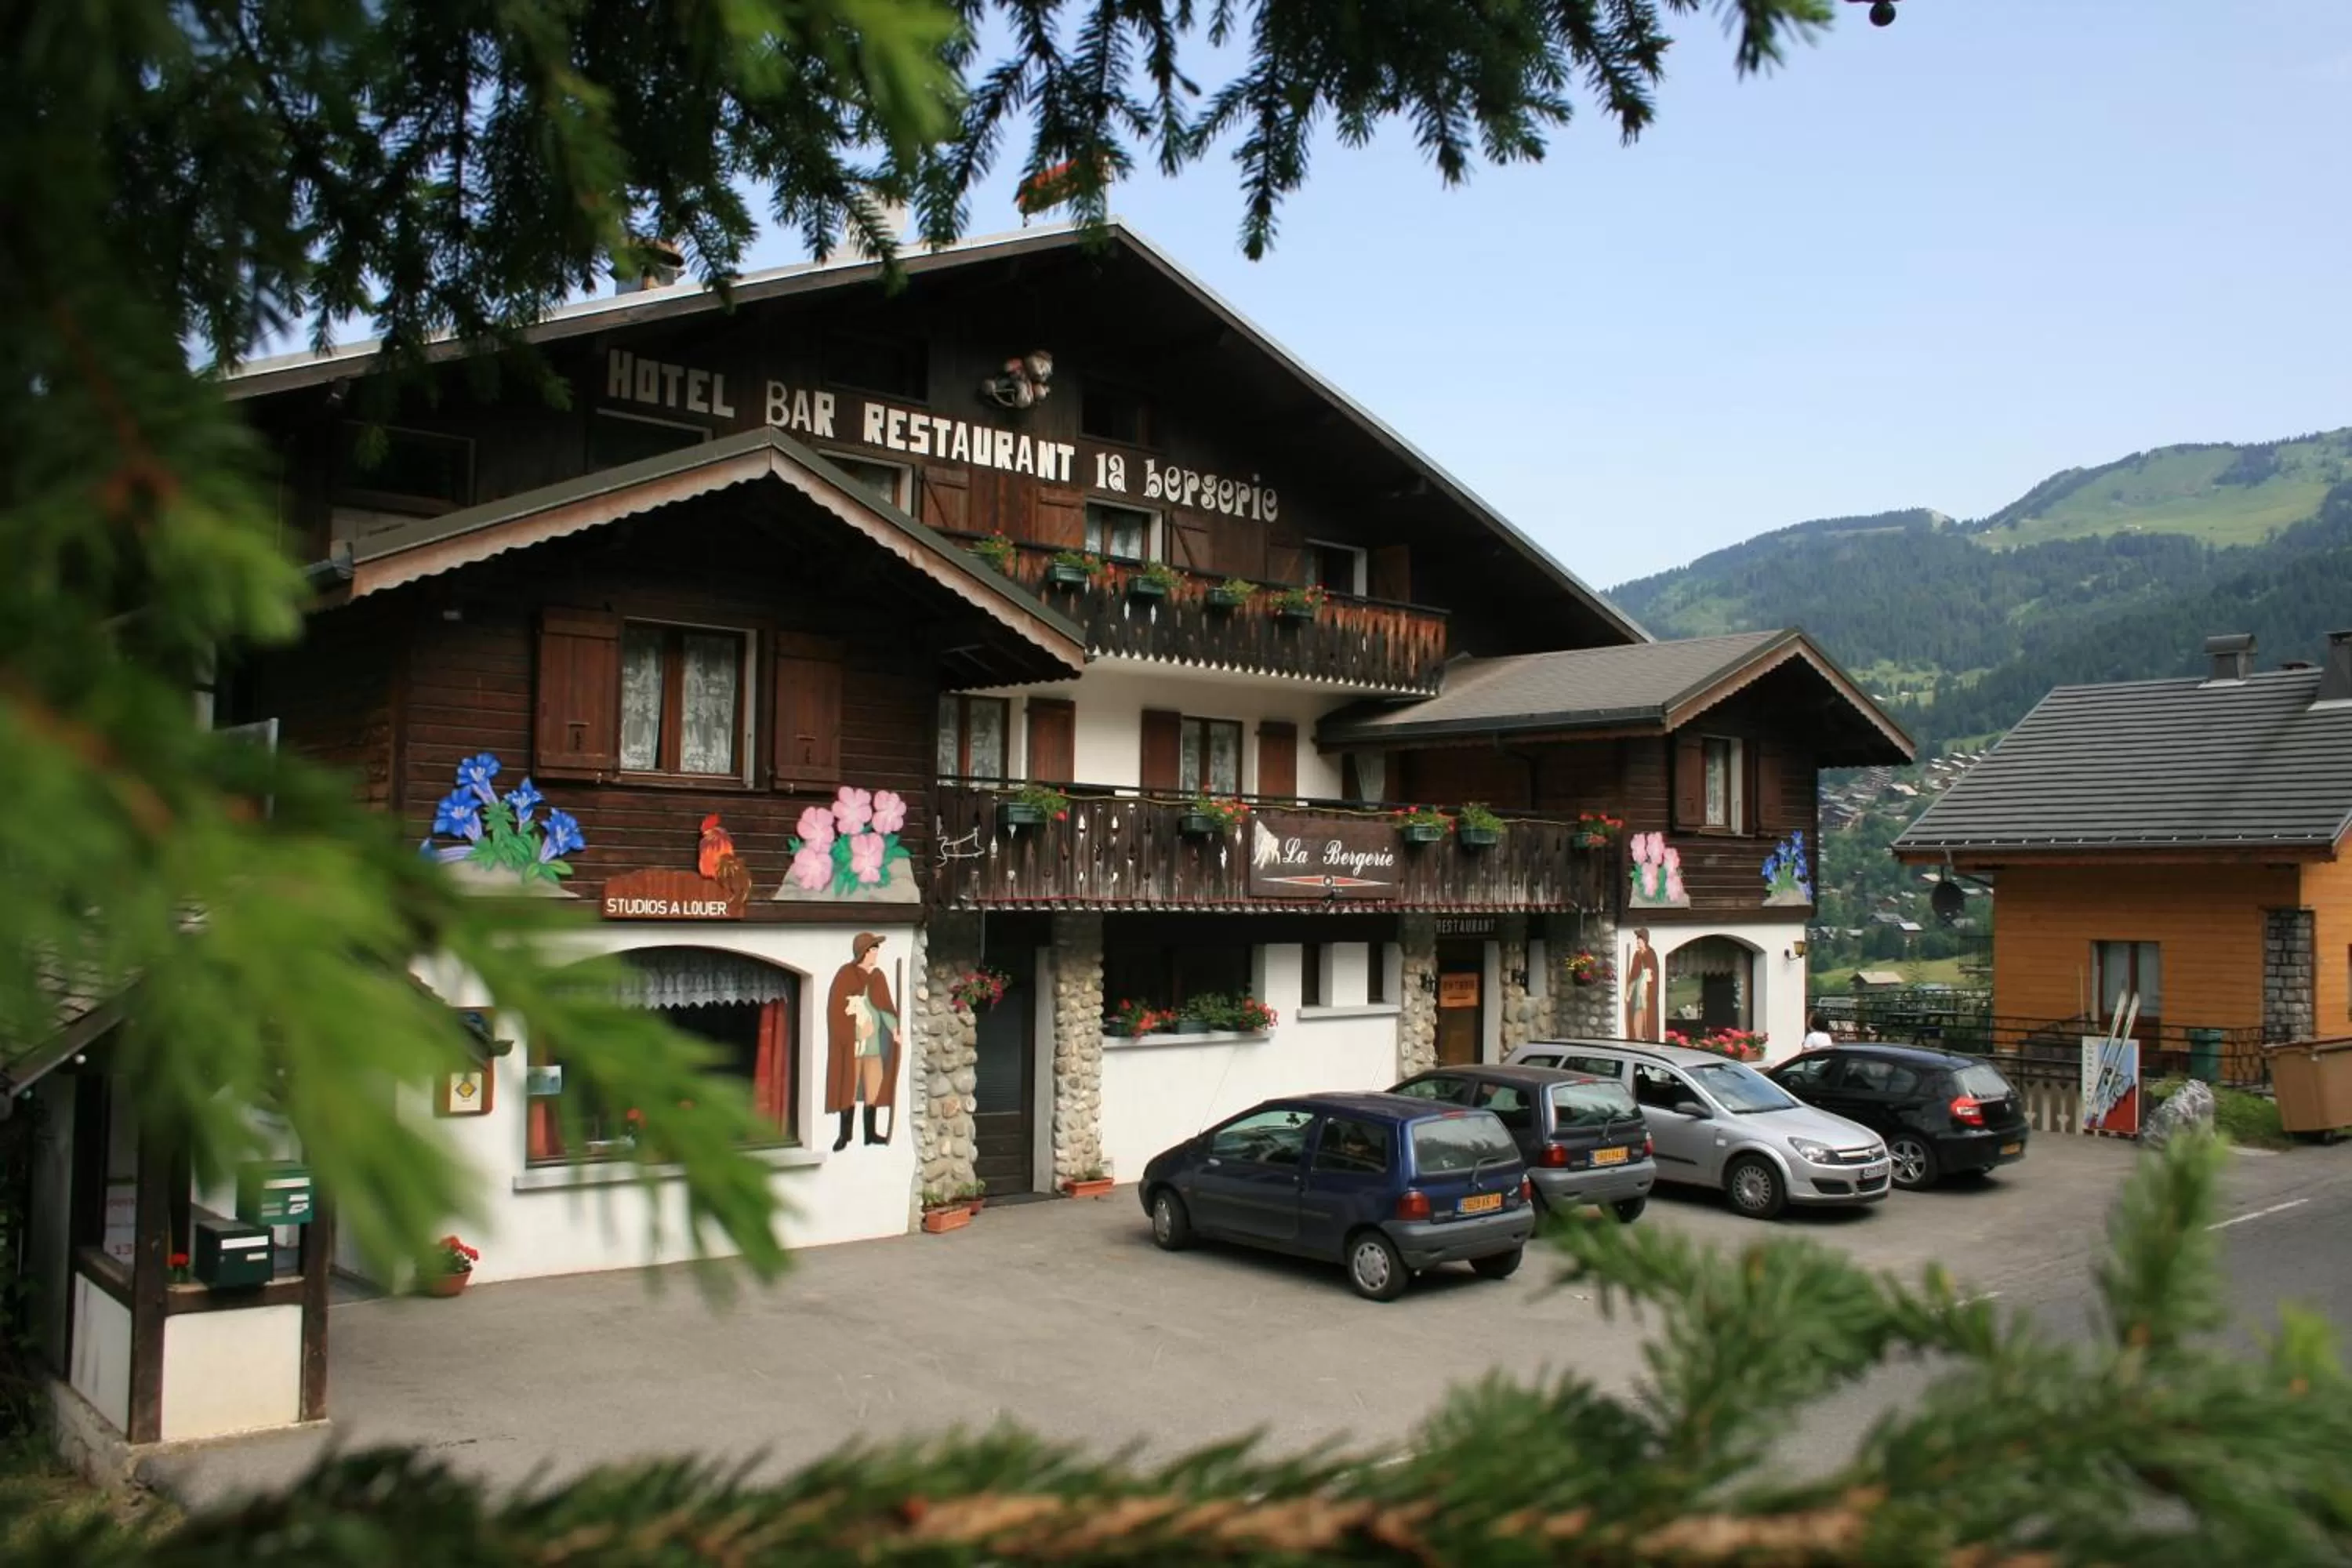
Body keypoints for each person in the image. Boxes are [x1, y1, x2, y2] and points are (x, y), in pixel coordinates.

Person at [825, 931, 900, 1149]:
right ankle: (845, 1135)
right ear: (864, 952)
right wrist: (853, 1029)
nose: (877, 953)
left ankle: (870, 1134)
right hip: (852, 1047)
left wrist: (895, 1029)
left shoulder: (878, 977)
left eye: (877, 949)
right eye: (874, 949)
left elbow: (886, 1009)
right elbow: (836, 1011)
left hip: (874, 1047)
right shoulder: (846, 975)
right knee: (848, 1088)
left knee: (873, 1090)